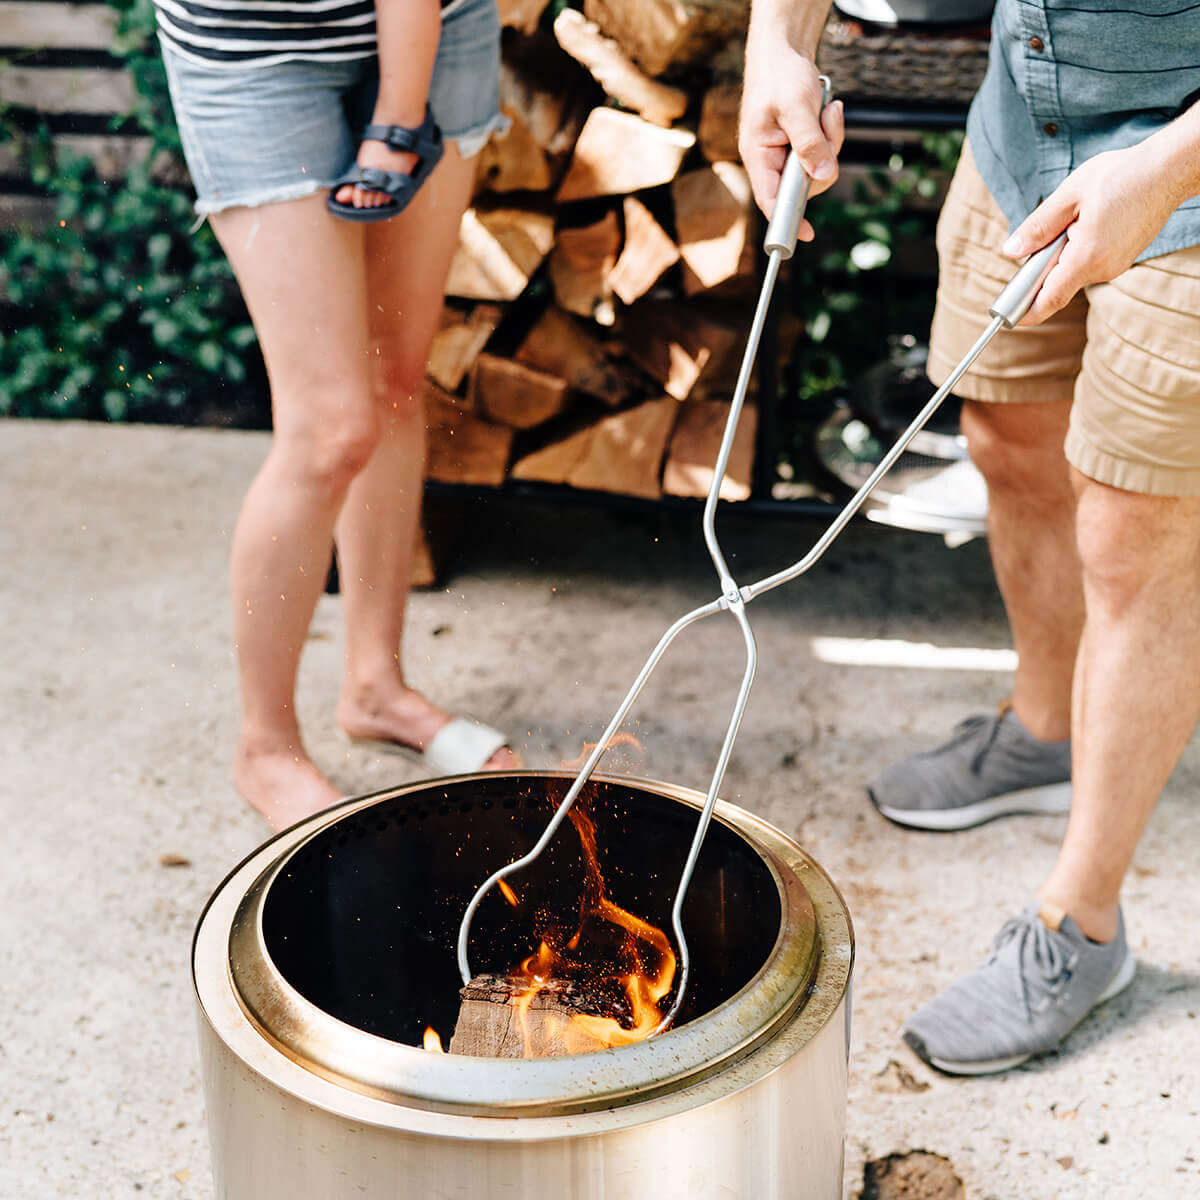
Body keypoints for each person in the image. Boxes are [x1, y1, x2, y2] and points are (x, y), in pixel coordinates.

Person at [741, 0, 1200, 1073]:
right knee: (1005, 431)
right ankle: (1046, 735)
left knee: (1143, 535)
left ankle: (1081, 931)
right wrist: (778, 46)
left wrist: (1169, 165)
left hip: (1187, 156)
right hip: (1025, 127)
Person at [154, 0, 518, 831]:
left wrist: (404, 99)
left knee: (394, 383)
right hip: (254, 50)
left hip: (439, 24)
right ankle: (266, 748)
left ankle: (376, 689)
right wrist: (395, 114)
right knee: (329, 428)